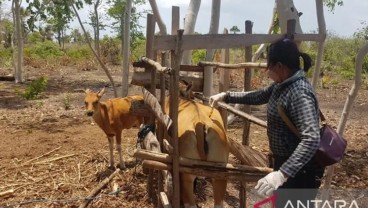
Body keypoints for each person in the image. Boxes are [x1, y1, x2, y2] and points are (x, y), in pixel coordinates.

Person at [209, 37, 325, 207]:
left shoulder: (299, 93)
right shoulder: (282, 84)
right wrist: (226, 96)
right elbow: (259, 95)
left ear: (279, 66)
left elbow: (311, 139)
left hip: (300, 169)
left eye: (268, 66)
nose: (267, 71)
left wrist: (283, 174)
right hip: (285, 163)